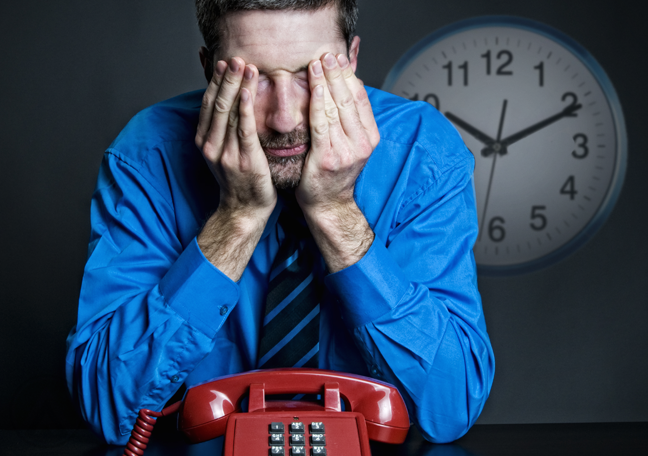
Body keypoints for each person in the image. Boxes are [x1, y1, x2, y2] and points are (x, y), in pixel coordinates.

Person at [66, 0, 495, 447]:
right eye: (252, 79)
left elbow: (451, 404)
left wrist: (335, 212)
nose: (284, 118)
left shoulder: (422, 153)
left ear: (350, 60)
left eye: (311, 74)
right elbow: (109, 406)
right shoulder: (147, 154)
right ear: (209, 69)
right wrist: (236, 218)